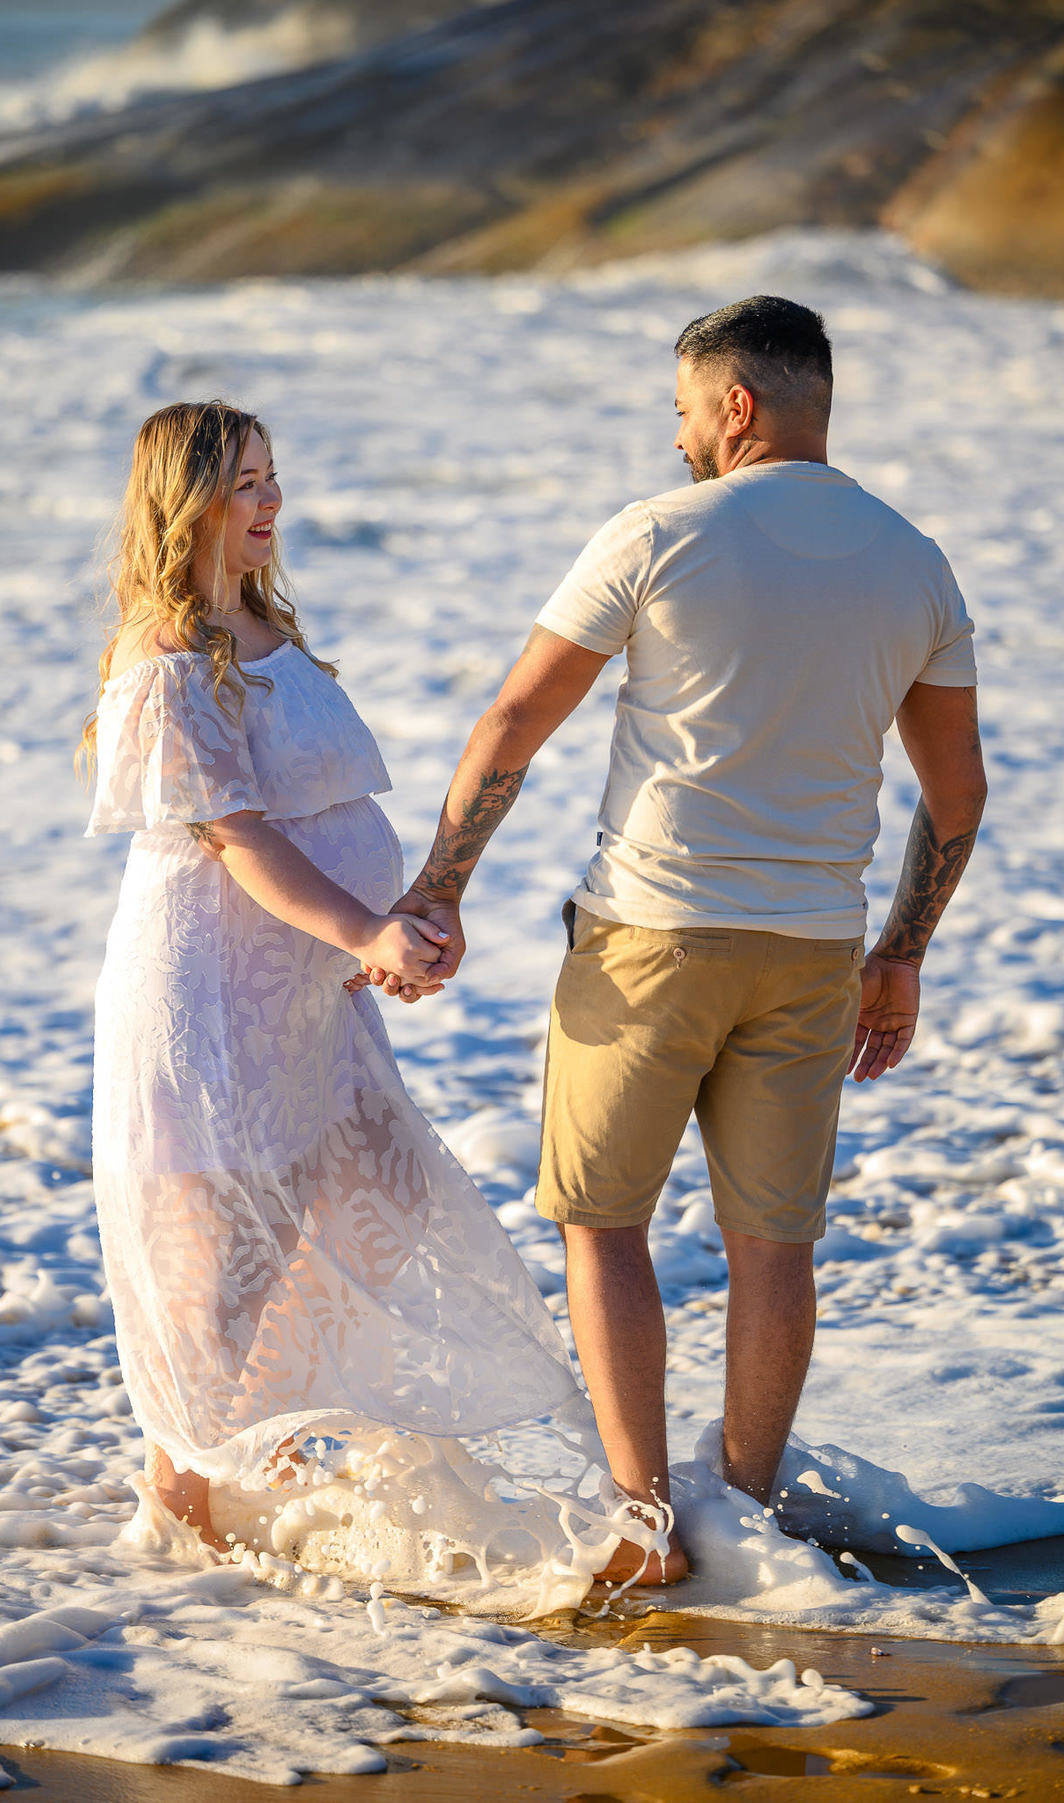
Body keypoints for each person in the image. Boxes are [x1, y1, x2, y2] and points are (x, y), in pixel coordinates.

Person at [375, 296, 987, 1584]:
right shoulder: (913, 560)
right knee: (777, 1246)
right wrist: (901, 954)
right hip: (814, 947)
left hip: (651, 935)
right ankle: (751, 1516)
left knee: (603, 1223)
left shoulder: (658, 534)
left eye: (684, 412)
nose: (678, 438)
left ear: (738, 407)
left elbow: (509, 728)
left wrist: (440, 890)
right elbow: (957, 795)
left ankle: (647, 1525)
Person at [79, 400, 593, 1559]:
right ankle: (186, 1517)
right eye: (247, 484)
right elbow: (239, 838)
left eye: (273, 478)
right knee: (216, 1264)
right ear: (188, 499)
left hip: (306, 987)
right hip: (206, 994)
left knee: (378, 1196)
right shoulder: (165, 658)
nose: (271, 501)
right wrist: (366, 928)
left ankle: (248, 1452)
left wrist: (401, 916)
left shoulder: (266, 627)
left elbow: (327, 806)